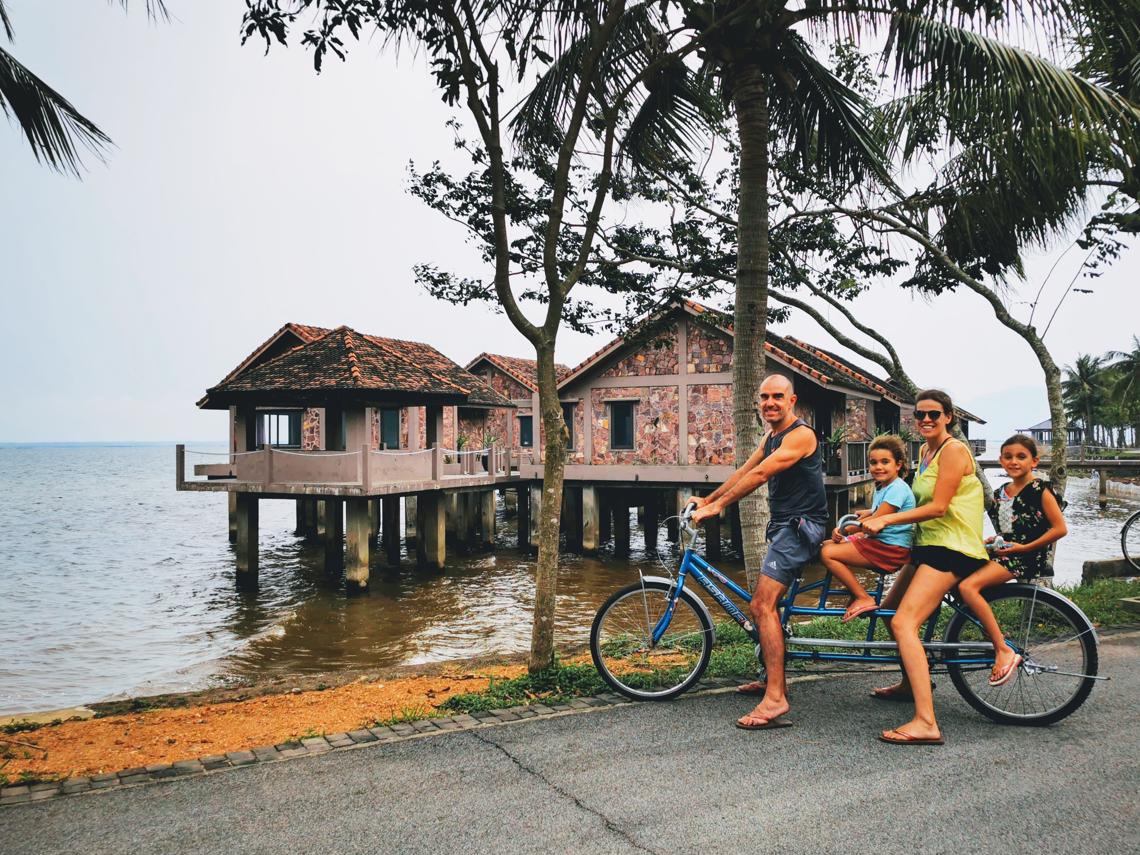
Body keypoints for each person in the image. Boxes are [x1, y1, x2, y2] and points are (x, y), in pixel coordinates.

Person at [690, 374, 828, 731]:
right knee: (770, 605)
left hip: (801, 527)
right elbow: (745, 470)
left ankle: (777, 697)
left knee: (761, 605)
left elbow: (764, 474)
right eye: (764, 397)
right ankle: (771, 678)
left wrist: (718, 508)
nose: (770, 403)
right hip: (785, 526)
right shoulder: (771, 436)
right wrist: (707, 499)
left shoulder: (801, 435)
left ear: (792, 400)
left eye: (777, 397)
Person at [861, 389, 987, 745]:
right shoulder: (925, 451)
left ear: (949, 416)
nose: (926, 421)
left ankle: (926, 721)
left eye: (934, 414)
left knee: (904, 621)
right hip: (926, 547)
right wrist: (873, 515)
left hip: (951, 547)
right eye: (919, 415)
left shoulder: (955, 450)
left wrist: (886, 522)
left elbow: (938, 507)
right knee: (888, 612)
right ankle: (908, 683)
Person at [958, 434, 1067, 686]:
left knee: (968, 586)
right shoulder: (1001, 492)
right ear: (1000, 460)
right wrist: (993, 539)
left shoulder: (1040, 489)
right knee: (956, 570)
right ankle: (994, 633)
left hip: (1025, 557)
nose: (1014, 462)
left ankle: (1001, 648)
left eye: (1021, 457)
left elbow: (1059, 529)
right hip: (1005, 551)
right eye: (1008, 457)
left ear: (1034, 462)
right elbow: (1010, 528)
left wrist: (1024, 547)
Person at [820, 435, 916, 623]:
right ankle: (853, 589)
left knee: (828, 553)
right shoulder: (885, 487)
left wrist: (845, 529)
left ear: (898, 465)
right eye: (873, 462)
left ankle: (862, 596)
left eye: (885, 462)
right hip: (882, 544)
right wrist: (868, 512)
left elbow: (878, 519)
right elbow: (877, 512)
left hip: (890, 549)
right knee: (827, 543)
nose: (878, 467)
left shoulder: (897, 488)